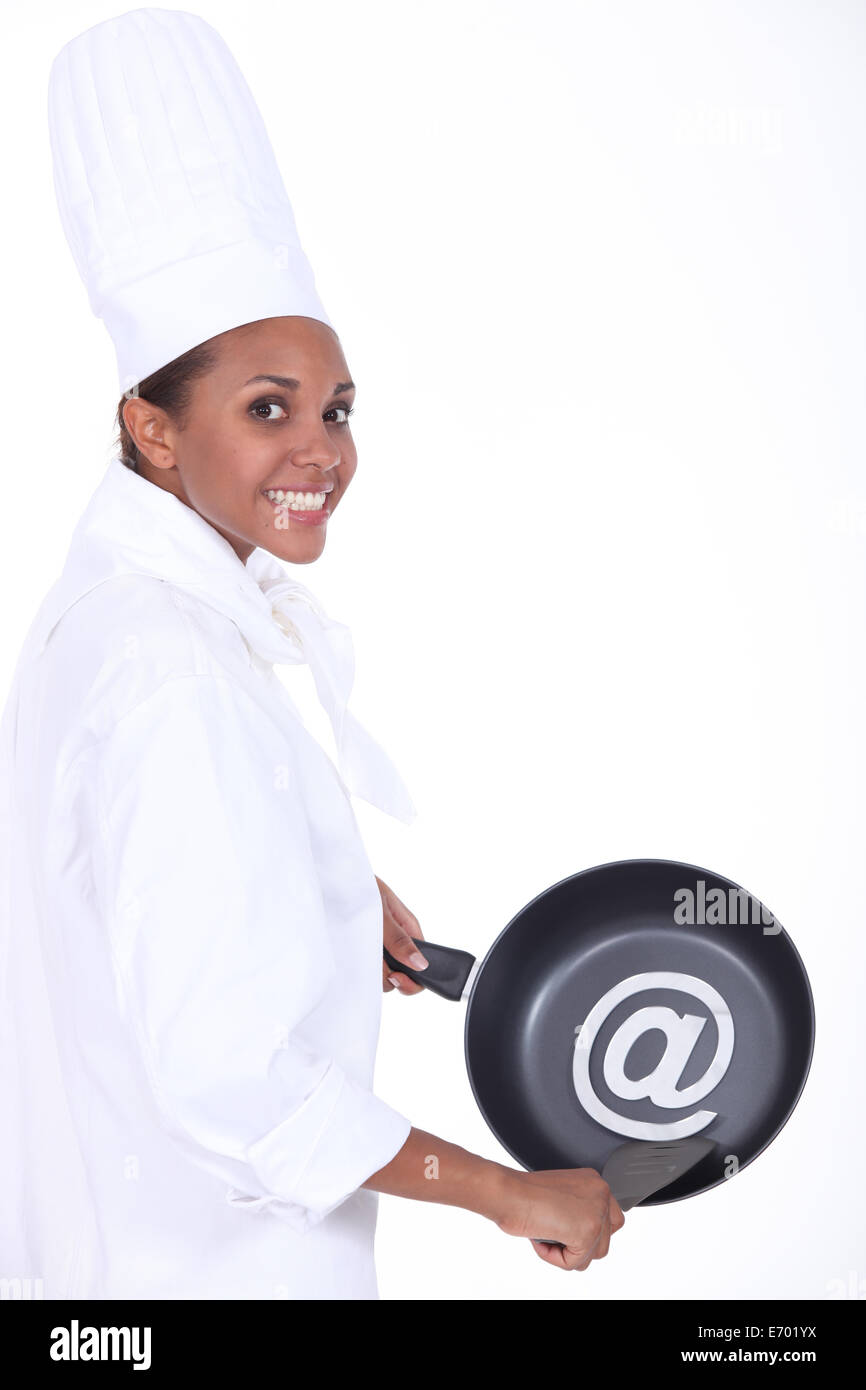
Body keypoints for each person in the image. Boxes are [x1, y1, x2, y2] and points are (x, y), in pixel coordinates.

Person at [0, 9, 623, 1300]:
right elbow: (231, 1076)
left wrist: (315, 895)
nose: (321, 450)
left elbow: (143, 893)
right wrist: (508, 1190)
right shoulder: (165, 666)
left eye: (335, 407)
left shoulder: (120, 614)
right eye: (265, 407)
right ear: (153, 429)